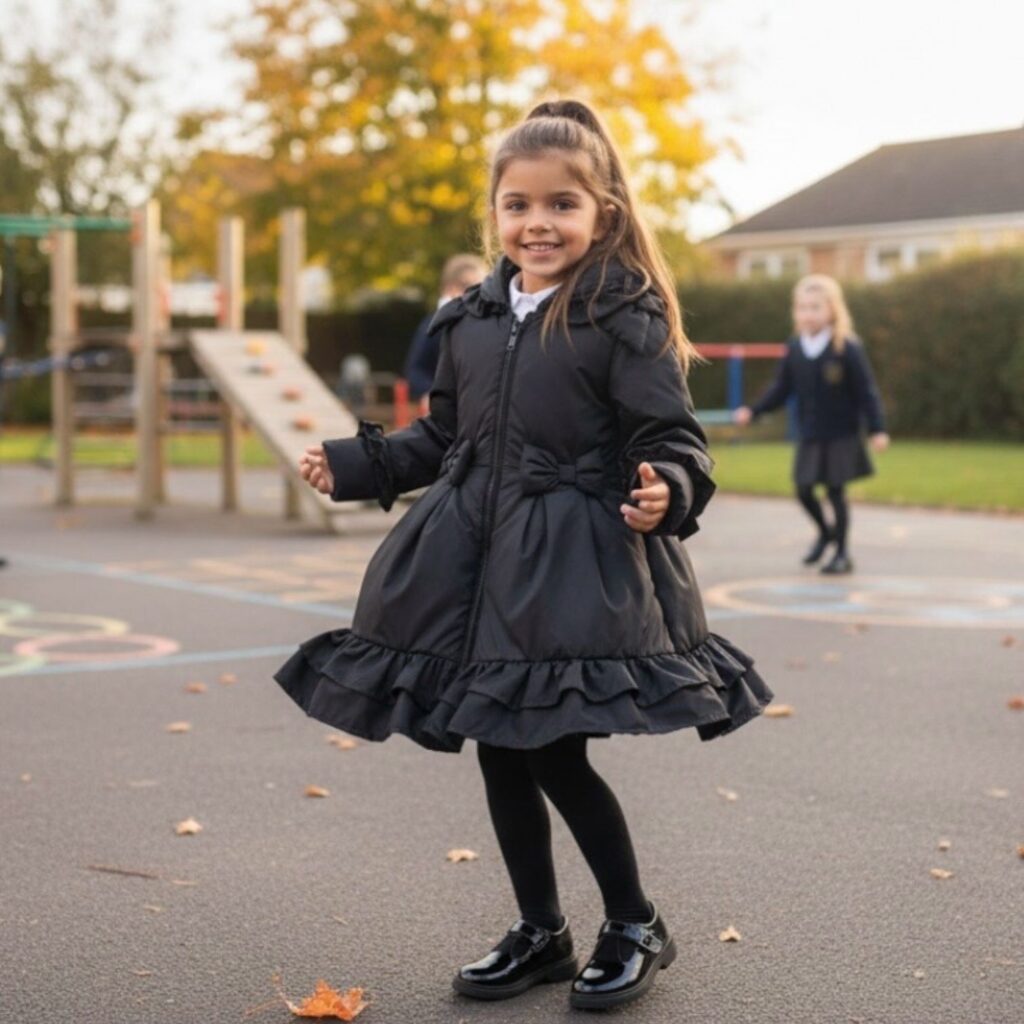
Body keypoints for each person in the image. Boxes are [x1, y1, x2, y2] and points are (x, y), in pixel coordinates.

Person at [278, 99, 773, 1011]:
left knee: (551, 752)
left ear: (602, 214)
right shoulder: (470, 318)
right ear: (494, 214)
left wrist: (668, 486)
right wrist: (358, 465)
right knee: (499, 752)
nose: (537, 223)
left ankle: (634, 923)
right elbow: (446, 438)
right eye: (517, 205)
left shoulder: (620, 315)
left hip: (573, 564)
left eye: (560, 205)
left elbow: (672, 435)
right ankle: (541, 930)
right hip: (477, 565)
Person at [733, 274, 889, 574]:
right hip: (811, 433)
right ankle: (826, 533)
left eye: (815, 307)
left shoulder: (846, 347)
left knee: (835, 492)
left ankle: (842, 553)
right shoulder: (795, 348)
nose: (808, 314)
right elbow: (781, 388)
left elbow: (866, 391)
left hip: (841, 433)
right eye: (802, 308)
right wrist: (754, 411)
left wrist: (877, 429)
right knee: (803, 490)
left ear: (832, 310)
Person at [403, 254, 487, 400]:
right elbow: (415, 371)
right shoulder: (434, 324)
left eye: (481, 286)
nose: (476, 293)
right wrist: (435, 395)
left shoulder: (492, 321)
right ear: (450, 288)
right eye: (468, 286)